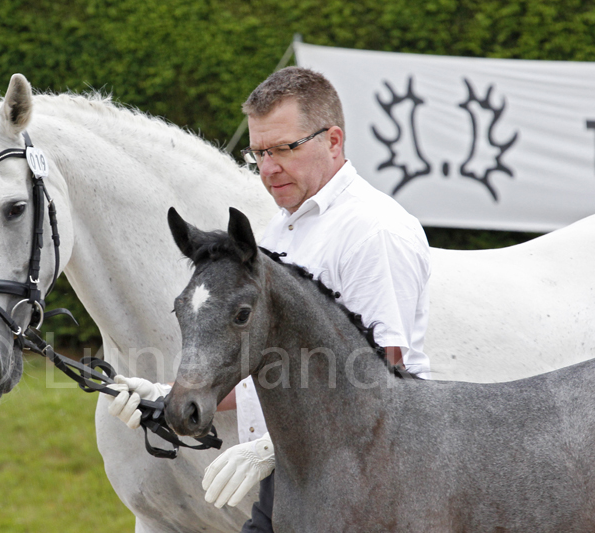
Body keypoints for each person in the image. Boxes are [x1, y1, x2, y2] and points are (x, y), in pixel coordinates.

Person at [107, 66, 432, 532]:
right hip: (298, 475)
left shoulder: (372, 231)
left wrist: (266, 449)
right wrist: (169, 398)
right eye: (259, 152)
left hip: (370, 482)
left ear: (333, 141)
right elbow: (277, 366)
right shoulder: (282, 231)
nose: (269, 167)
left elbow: (384, 377)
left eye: (284, 148)